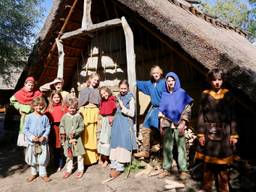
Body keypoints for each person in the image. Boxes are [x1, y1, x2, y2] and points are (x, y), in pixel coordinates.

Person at [195, 69, 238, 192]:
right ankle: (206, 188)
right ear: (210, 81)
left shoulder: (228, 95)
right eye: (214, 80)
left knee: (223, 165)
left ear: (223, 80)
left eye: (219, 79)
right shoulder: (205, 94)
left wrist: (234, 135)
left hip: (225, 133)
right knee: (208, 164)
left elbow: (233, 116)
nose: (217, 82)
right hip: (209, 133)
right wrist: (201, 134)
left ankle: (224, 189)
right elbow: (201, 115)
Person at [158, 72, 193, 180]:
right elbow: (161, 111)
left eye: (172, 80)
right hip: (167, 123)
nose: (170, 82)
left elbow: (187, 107)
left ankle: (184, 170)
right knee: (167, 147)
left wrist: (183, 122)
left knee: (181, 147)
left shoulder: (182, 93)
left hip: (180, 124)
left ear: (176, 81)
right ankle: (166, 169)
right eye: (168, 81)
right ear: (166, 83)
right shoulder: (165, 95)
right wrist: (161, 124)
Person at [134, 65, 166, 158]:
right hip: (152, 109)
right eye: (153, 73)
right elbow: (141, 84)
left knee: (160, 129)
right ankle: (145, 151)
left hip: (161, 109)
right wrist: (134, 82)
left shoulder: (164, 83)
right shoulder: (150, 83)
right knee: (145, 128)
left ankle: (164, 150)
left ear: (161, 73)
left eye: (157, 72)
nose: (155, 74)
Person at [109, 80, 137, 178]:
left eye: (125, 88)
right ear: (119, 88)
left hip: (126, 123)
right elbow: (115, 110)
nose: (123, 90)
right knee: (115, 142)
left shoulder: (130, 98)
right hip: (117, 123)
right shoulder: (118, 97)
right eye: (121, 88)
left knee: (123, 142)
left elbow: (132, 113)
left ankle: (120, 167)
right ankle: (113, 165)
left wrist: (122, 107)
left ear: (128, 88)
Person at [24, 96, 51, 182]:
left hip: (42, 141)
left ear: (43, 106)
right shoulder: (29, 117)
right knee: (32, 158)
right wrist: (32, 137)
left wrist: (44, 136)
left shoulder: (45, 117)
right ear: (33, 106)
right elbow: (25, 129)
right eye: (36, 105)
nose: (39, 107)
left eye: (40, 105)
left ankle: (43, 174)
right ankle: (33, 173)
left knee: (42, 158)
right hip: (32, 142)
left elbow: (48, 127)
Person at [10, 76, 42, 147]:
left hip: (34, 115)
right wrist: (19, 107)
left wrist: (38, 110)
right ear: (25, 84)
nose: (30, 87)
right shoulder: (20, 93)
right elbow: (12, 100)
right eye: (29, 85)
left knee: (34, 134)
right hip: (25, 116)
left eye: (32, 85)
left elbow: (42, 102)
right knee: (25, 132)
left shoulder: (36, 93)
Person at [59, 98, 85, 179]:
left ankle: (80, 169)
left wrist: (76, 132)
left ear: (76, 108)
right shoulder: (65, 116)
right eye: (70, 108)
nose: (72, 110)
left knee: (79, 155)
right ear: (67, 107)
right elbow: (61, 125)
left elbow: (82, 127)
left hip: (77, 140)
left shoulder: (78, 116)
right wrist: (63, 132)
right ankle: (69, 170)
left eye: (74, 108)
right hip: (68, 140)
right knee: (69, 155)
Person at [79, 73, 101, 165]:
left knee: (93, 134)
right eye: (94, 79)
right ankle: (85, 158)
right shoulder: (84, 90)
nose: (95, 82)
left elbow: (100, 103)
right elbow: (81, 102)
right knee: (86, 135)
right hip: (86, 112)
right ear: (90, 79)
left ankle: (94, 157)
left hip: (94, 113)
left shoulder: (98, 91)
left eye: (97, 80)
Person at [45, 91, 67, 172]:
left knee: (61, 147)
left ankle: (61, 163)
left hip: (62, 128)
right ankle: (56, 163)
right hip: (53, 129)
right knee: (54, 147)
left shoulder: (63, 107)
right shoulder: (49, 108)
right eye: (55, 97)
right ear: (52, 98)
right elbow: (45, 118)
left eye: (58, 97)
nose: (56, 99)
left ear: (60, 98)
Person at [97, 86, 116, 167]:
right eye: (102, 94)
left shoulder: (112, 100)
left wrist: (112, 118)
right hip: (103, 121)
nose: (104, 95)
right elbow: (101, 111)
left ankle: (107, 159)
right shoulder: (102, 101)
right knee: (102, 139)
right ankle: (102, 157)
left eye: (105, 93)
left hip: (109, 121)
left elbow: (115, 111)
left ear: (108, 91)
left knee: (107, 140)